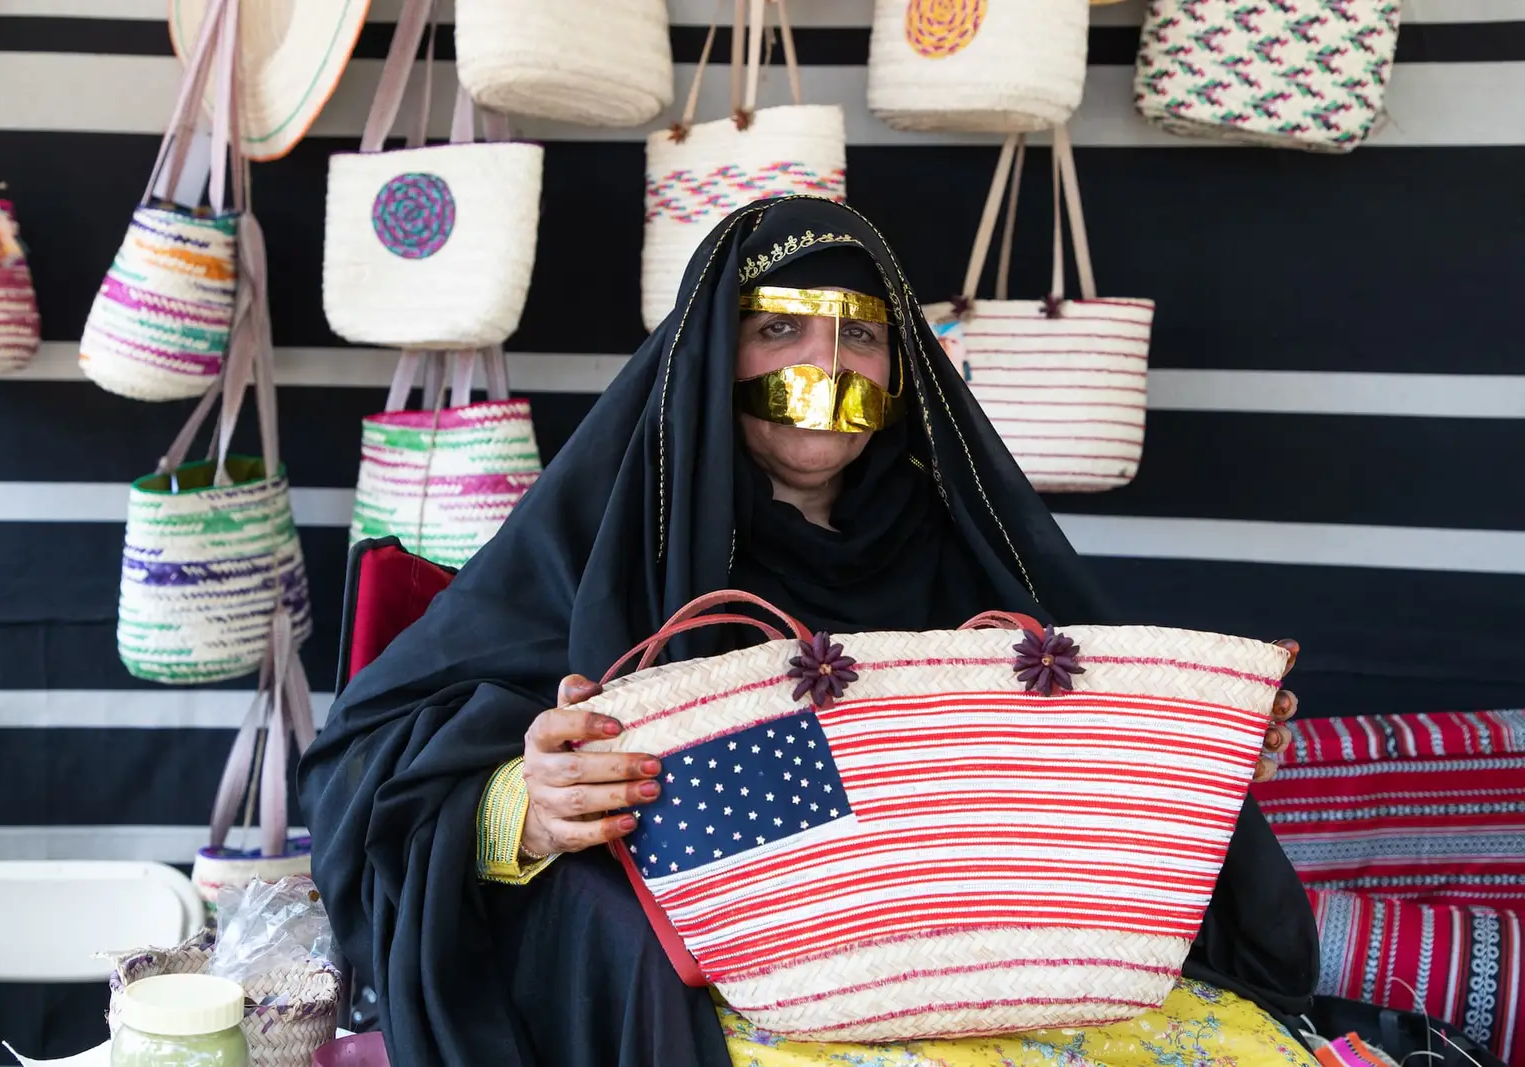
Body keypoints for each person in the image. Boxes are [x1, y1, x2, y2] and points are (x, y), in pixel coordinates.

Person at [299, 197, 1320, 1067]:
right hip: (715, 958)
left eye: (861, 334)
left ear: (903, 368)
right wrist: (523, 805)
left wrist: (1193, 750)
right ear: (710, 353)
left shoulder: (954, 537)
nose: (824, 364)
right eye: (780, 329)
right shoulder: (605, 532)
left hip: (974, 947)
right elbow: (361, 764)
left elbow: (1046, 760)